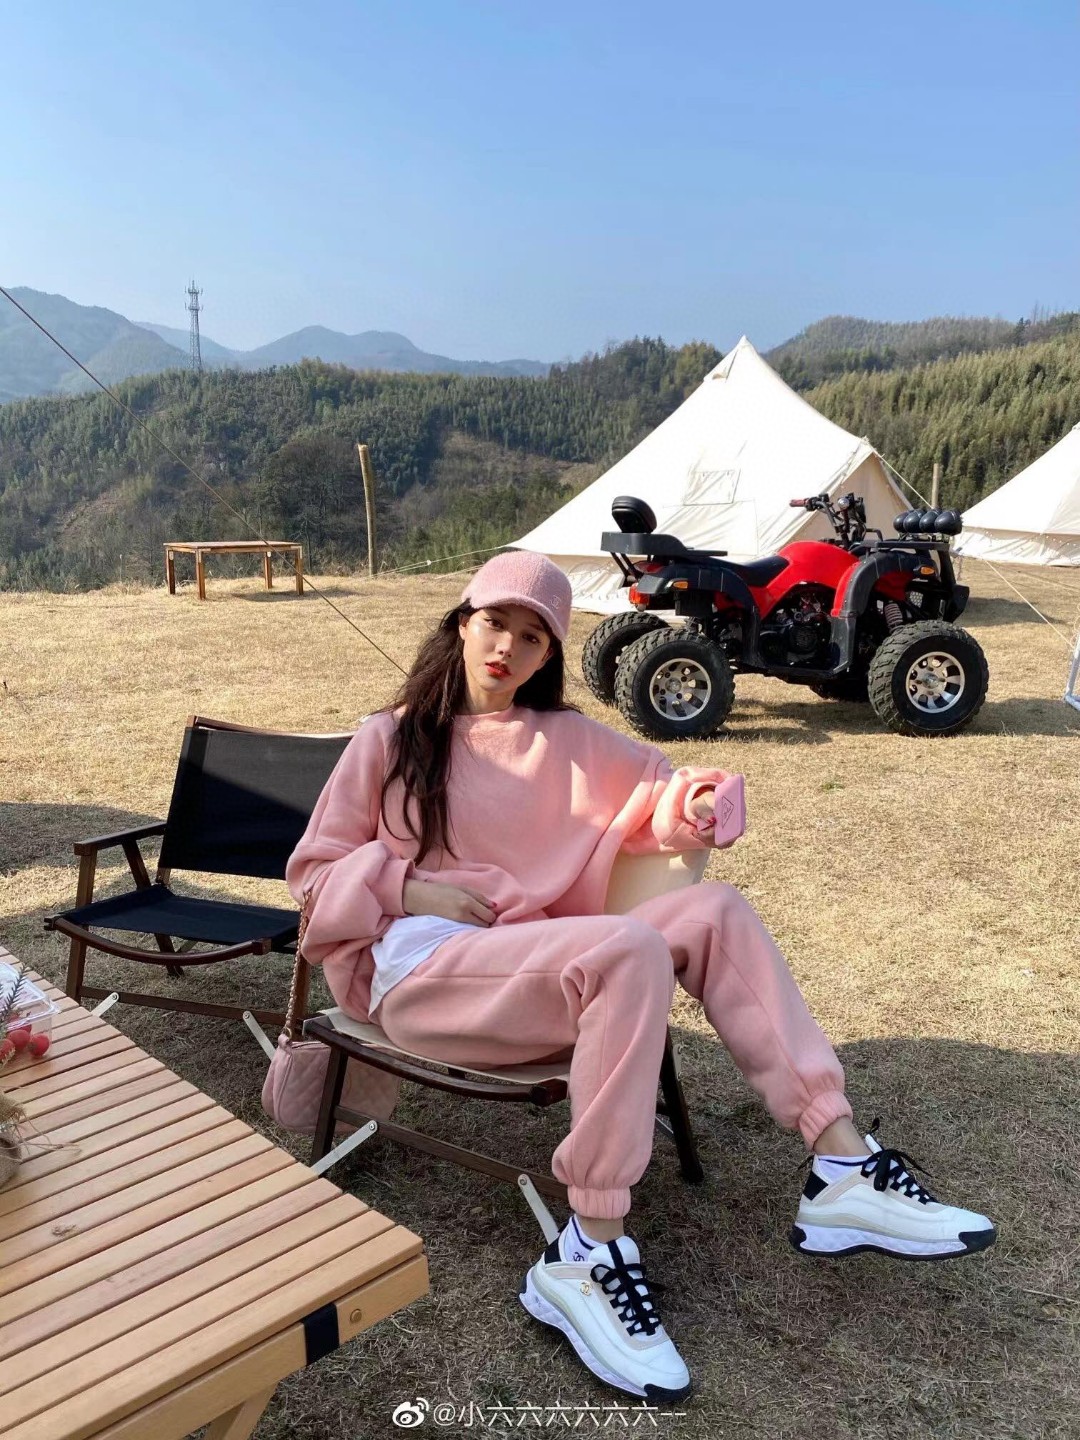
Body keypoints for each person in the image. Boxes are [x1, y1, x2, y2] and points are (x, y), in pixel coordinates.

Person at [286, 551, 995, 1405]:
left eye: (532, 636)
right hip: (421, 974)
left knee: (714, 911)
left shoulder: (566, 742)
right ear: (462, 623)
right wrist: (410, 887)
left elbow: (658, 790)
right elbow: (313, 877)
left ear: (550, 654)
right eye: (495, 623)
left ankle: (840, 1163)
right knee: (627, 950)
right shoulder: (390, 738)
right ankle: (587, 1249)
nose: (507, 647)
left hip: (540, 962)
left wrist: (697, 805)